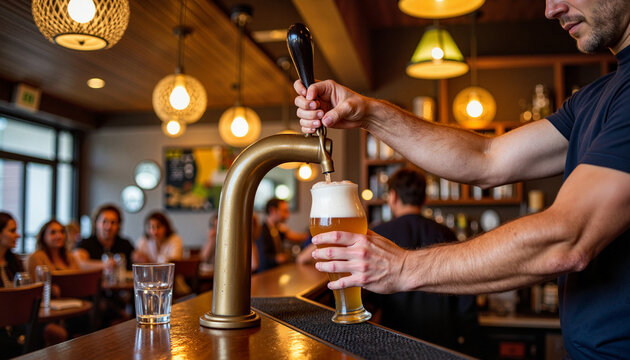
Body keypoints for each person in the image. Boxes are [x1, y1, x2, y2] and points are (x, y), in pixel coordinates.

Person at [294, 1, 630, 356]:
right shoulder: (597, 97)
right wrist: (369, 112)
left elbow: (566, 238)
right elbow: (486, 158)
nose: (551, 9)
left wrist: (402, 267)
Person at [368, 168, 479, 355]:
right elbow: (465, 293)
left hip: (393, 344)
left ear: (393, 196)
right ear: (424, 198)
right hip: (441, 345)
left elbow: (369, 299)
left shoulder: (379, 235)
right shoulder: (446, 233)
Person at [0, 213, 67, 354]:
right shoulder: (36, 257)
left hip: (19, 323)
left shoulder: (14, 262)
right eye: (12, 231)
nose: (18, 235)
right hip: (6, 326)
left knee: (58, 334)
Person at [75, 204, 134, 270]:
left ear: (118, 225)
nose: (108, 227)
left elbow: (136, 261)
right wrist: (105, 265)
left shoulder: (125, 244)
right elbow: (78, 263)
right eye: (104, 221)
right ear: (96, 223)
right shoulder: (85, 243)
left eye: (113, 222)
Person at [255, 198, 307, 272]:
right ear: (272, 211)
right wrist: (277, 258)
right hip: (266, 275)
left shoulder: (278, 229)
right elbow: (262, 259)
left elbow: (297, 237)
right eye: (284, 211)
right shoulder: (261, 231)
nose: (287, 215)